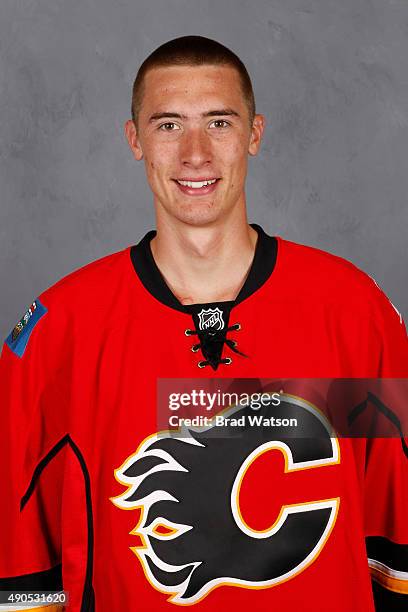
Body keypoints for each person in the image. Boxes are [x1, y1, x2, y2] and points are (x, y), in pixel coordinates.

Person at [0, 35, 407, 612]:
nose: (196, 153)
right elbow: (20, 572)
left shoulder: (352, 309)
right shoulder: (55, 330)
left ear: (254, 135)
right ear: (134, 139)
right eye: (168, 125)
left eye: (219, 122)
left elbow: (397, 540)